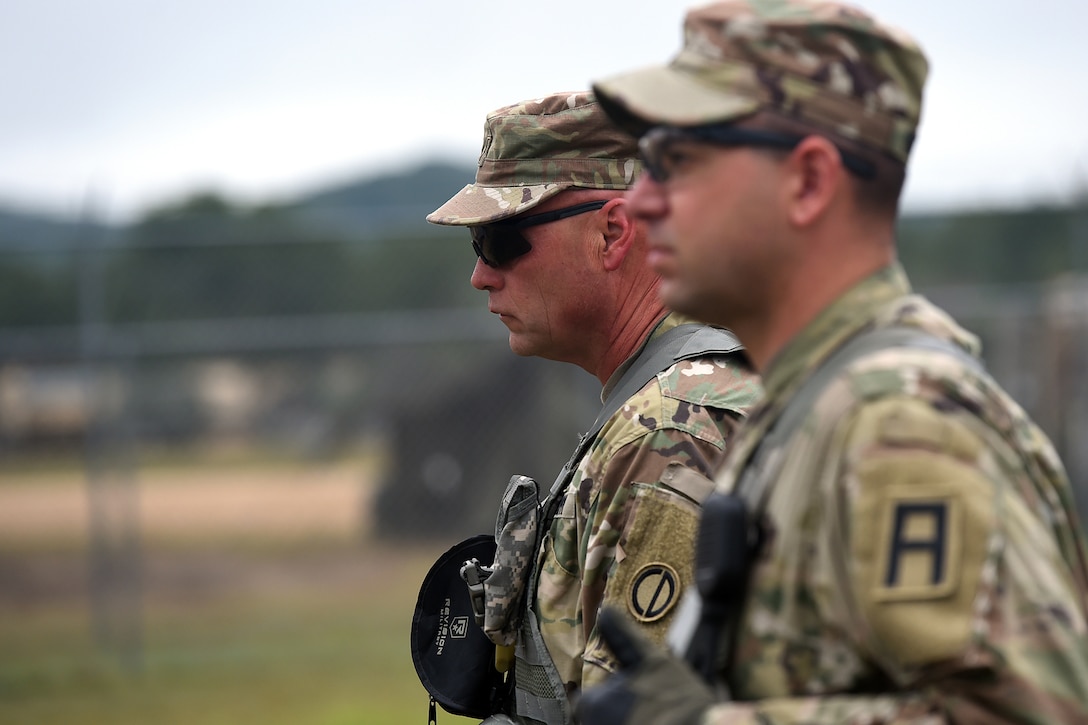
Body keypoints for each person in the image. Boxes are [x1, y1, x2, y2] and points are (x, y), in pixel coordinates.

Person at [575, 1, 1088, 723]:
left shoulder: (899, 421)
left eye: (677, 161)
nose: (644, 199)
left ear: (809, 181)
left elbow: (1027, 713)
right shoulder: (811, 402)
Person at [425, 91, 762, 724]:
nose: (481, 275)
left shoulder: (675, 429)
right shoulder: (670, 401)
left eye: (500, 239)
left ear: (611, 233)